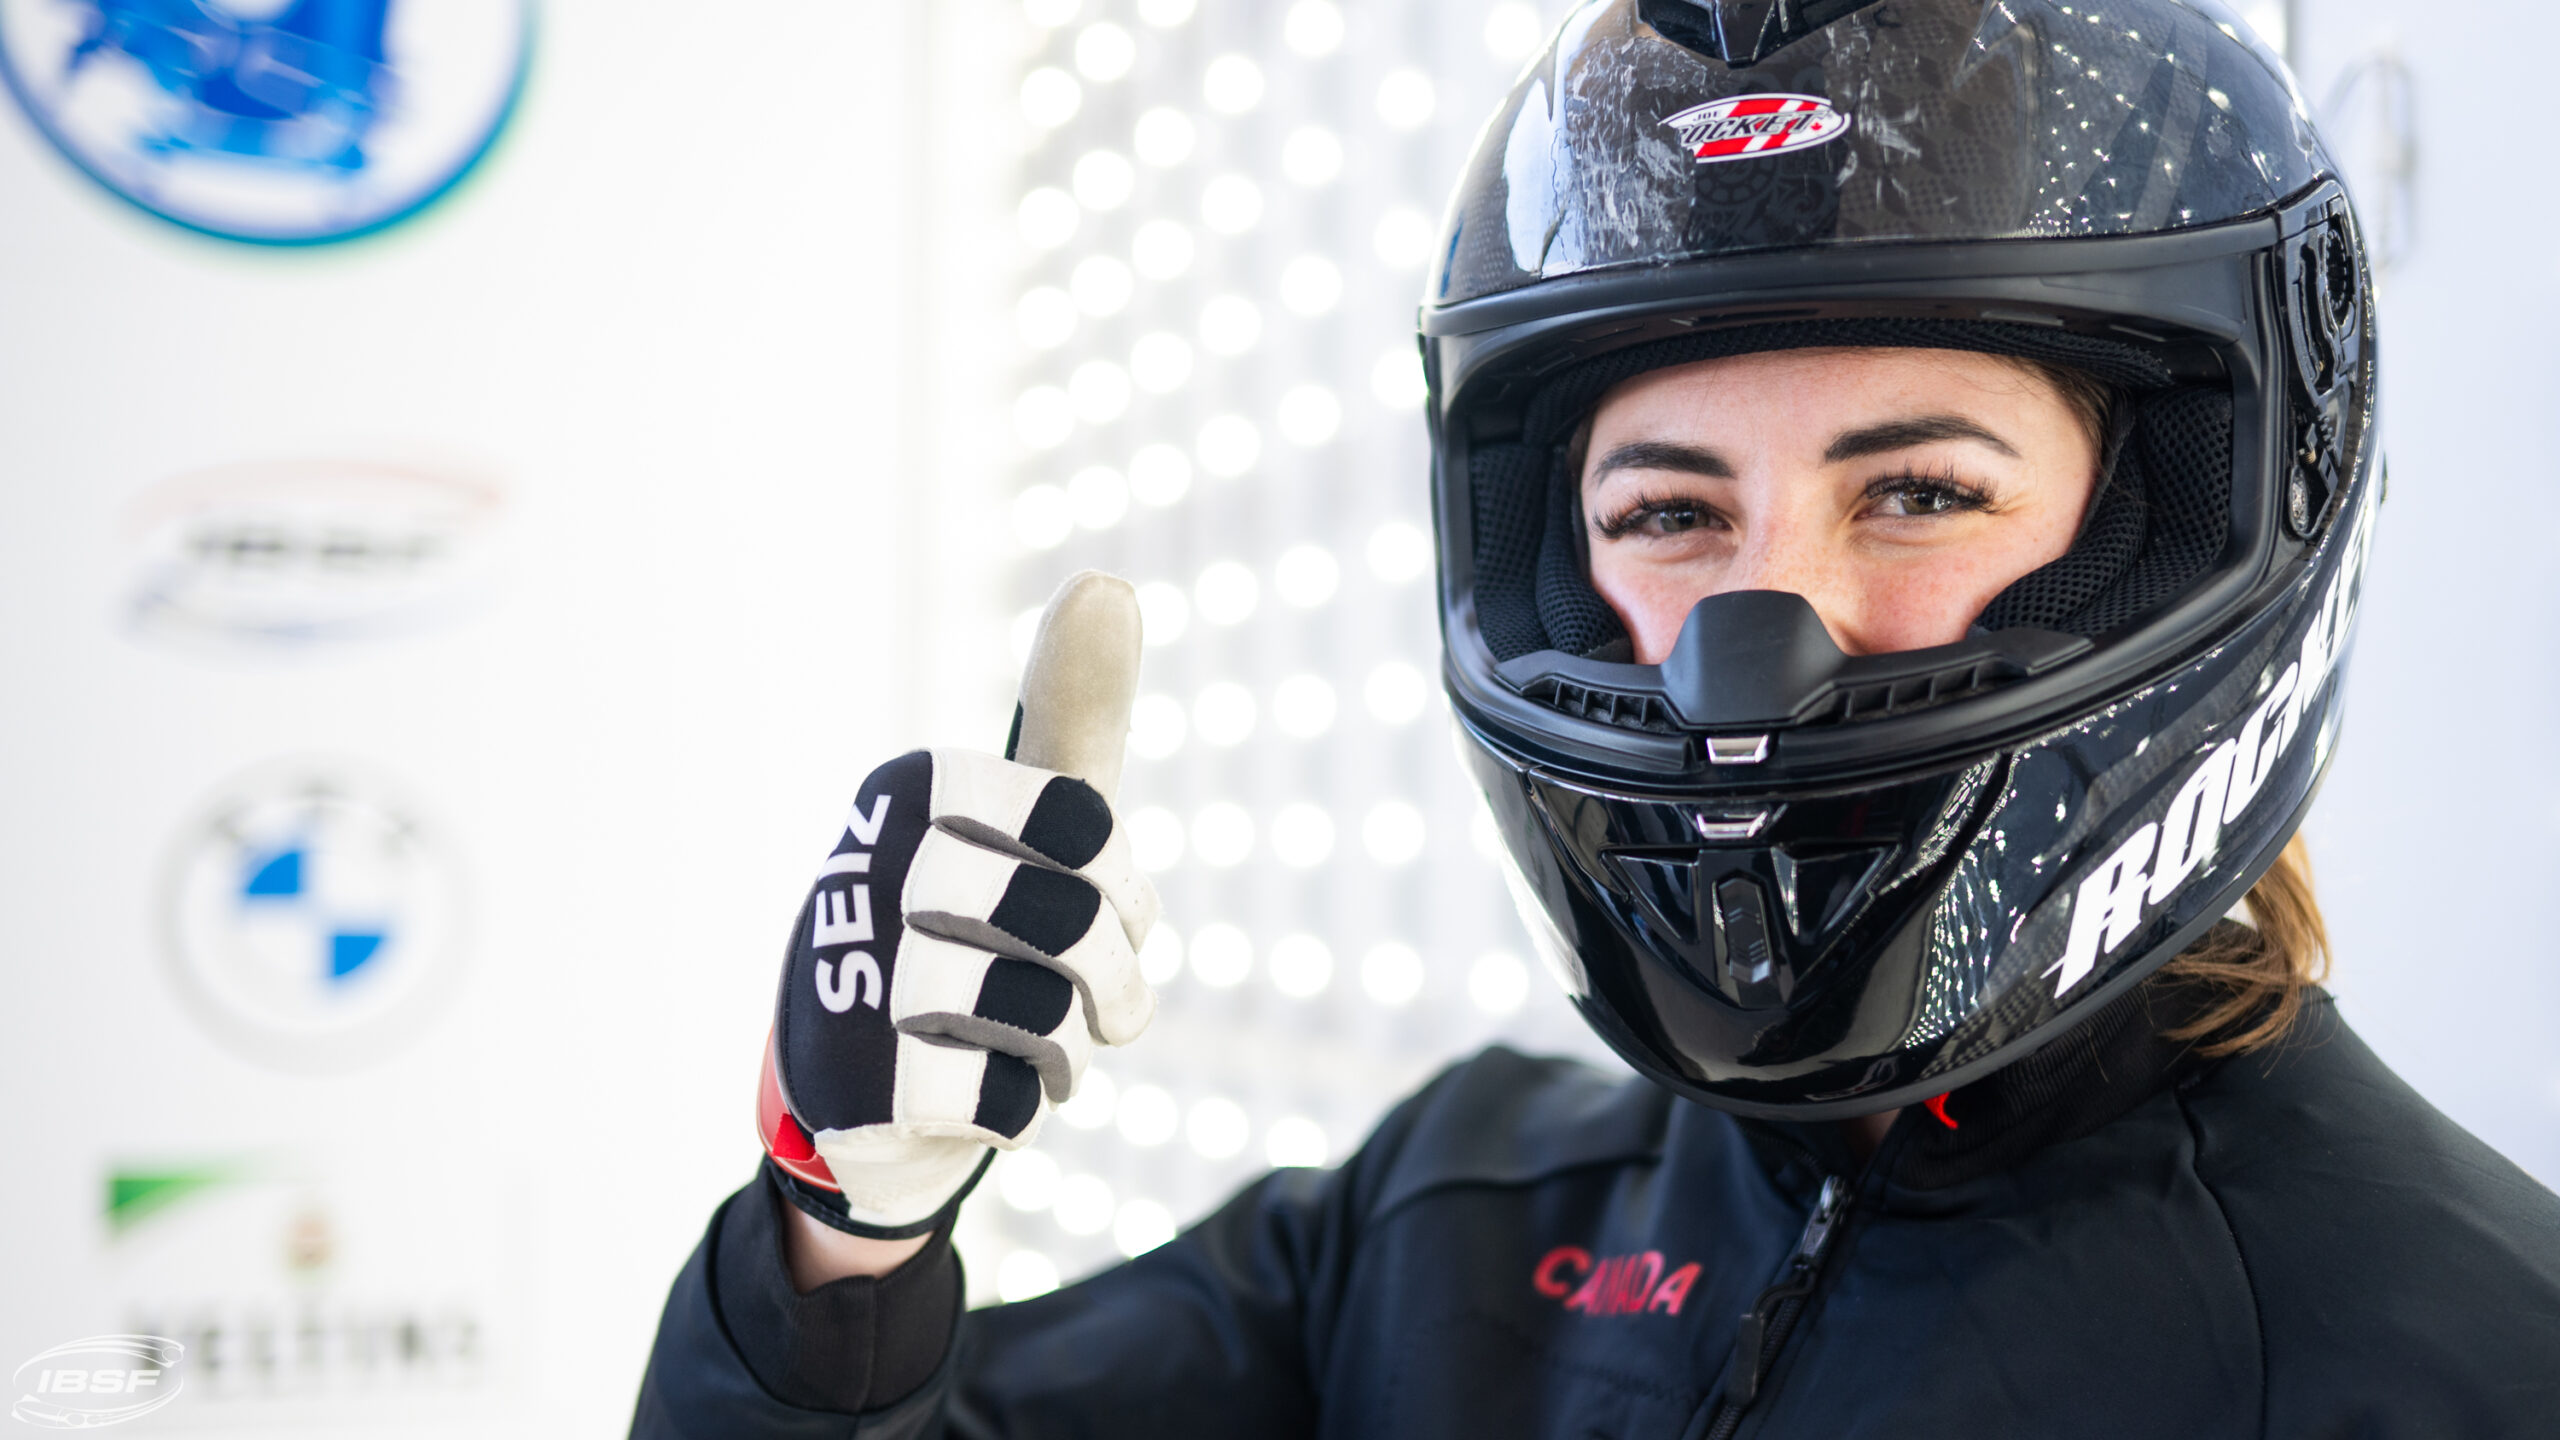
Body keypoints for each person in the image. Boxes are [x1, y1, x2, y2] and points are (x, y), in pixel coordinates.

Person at [630, 2, 2560, 1436]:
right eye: (1665, 513)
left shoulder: (2455, 1355)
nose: (1752, 637)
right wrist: (835, 1248)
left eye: (1920, 493)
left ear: (2183, 517)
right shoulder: (1447, 1216)